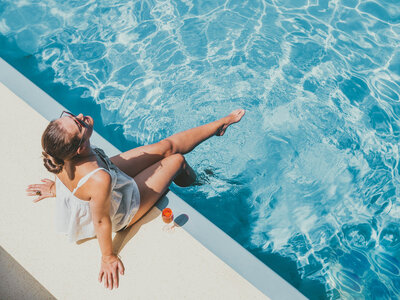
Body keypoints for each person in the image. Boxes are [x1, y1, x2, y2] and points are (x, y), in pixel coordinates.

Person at [26, 109, 245, 290]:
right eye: (78, 123)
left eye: (72, 116)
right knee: (177, 160)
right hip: (123, 208)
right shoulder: (98, 179)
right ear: (80, 147)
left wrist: (58, 189)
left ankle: (220, 125)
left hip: (110, 176)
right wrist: (108, 257)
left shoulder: (55, 152)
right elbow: (102, 221)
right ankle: (199, 184)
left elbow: (72, 182)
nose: (82, 116)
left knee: (165, 148)